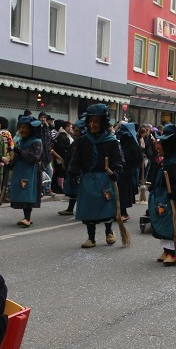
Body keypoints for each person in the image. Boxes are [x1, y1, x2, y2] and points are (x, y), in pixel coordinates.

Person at [70, 104, 122, 247]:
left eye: (96, 121)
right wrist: (73, 173)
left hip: (105, 179)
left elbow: (118, 160)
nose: (93, 125)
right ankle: (91, 238)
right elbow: (76, 160)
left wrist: (116, 171)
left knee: (106, 206)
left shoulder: (111, 142)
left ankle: (109, 231)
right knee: (89, 209)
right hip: (88, 178)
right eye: (90, 121)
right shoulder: (82, 141)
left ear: (103, 123)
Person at [147, 124, 176, 265]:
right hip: (162, 197)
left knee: (170, 224)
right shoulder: (167, 161)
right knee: (163, 223)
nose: (157, 146)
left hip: (171, 200)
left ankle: (173, 252)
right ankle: (166, 250)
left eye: (161, 143)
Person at [9, 115, 44, 228]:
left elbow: (35, 157)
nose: (22, 130)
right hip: (20, 170)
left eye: (24, 127)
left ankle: (27, 218)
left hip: (31, 172)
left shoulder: (36, 142)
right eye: (20, 127)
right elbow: (17, 155)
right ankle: (26, 216)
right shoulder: (21, 141)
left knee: (28, 193)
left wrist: (21, 152)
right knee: (23, 193)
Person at [116, 122, 142, 220]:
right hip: (122, 171)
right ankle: (120, 212)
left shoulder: (132, 143)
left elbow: (136, 159)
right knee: (120, 192)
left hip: (126, 172)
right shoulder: (123, 141)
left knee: (123, 192)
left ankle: (123, 212)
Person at [53, 120, 76, 214]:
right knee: (61, 173)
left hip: (72, 163)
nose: (72, 129)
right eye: (70, 127)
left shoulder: (70, 136)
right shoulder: (62, 136)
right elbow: (60, 147)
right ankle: (60, 187)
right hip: (64, 159)